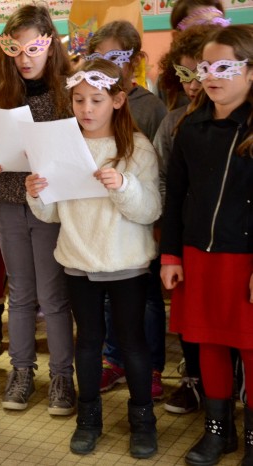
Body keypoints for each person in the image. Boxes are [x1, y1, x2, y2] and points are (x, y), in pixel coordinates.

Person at [27, 58, 161, 458]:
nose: (87, 109)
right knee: (87, 343)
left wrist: (123, 184)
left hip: (127, 263)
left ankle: (143, 421)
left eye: (97, 100)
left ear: (118, 100)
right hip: (78, 260)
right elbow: (52, 213)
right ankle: (89, 419)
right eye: (80, 100)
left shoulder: (137, 148)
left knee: (133, 342)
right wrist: (37, 191)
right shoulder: (65, 147)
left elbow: (150, 210)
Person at [0, 4, 76, 416]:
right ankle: (21, 372)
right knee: (19, 293)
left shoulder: (67, 91)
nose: (25, 57)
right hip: (8, 202)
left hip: (50, 206)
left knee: (53, 297)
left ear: (50, 44)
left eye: (33, 47)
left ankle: (62, 377)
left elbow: (77, 153)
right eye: (15, 49)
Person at [160, 25, 253, 466]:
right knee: (209, 345)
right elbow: (175, 195)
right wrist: (172, 253)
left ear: (250, 72)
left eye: (224, 67)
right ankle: (219, 432)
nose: (211, 75)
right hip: (199, 255)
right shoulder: (189, 126)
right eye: (204, 67)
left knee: (251, 349)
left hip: (246, 259)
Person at [86, 20, 168, 400]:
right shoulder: (86, 106)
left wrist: (156, 221)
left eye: (116, 57)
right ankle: (113, 360)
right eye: (98, 57)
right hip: (97, 227)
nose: (108, 64)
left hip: (139, 223)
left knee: (146, 300)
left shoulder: (150, 108)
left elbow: (157, 171)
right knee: (105, 300)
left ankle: (150, 366)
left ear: (134, 61)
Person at [153, 24, 215, 415]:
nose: (193, 85)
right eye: (185, 75)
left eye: (202, 74)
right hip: (186, 235)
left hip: (228, 239)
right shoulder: (174, 121)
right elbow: (164, 182)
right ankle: (194, 382)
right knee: (191, 317)